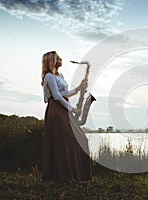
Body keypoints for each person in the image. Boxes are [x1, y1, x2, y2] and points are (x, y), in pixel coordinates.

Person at [41, 51, 92, 181]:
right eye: (57, 57)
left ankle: (79, 174)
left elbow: (65, 93)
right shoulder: (49, 77)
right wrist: (73, 109)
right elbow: (57, 96)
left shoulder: (60, 75)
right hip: (57, 111)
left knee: (81, 139)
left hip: (63, 109)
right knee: (64, 142)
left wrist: (79, 88)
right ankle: (65, 175)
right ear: (51, 61)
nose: (60, 59)